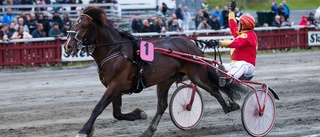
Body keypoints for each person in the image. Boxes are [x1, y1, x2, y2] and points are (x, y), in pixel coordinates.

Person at [215, 0, 257, 87]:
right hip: (234, 66)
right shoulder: (242, 33)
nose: (238, 25)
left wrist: (219, 43)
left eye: (239, 23)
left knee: (240, 64)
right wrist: (231, 12)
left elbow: (235, 43)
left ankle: (228, 78)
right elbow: (233, 26)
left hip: (247, 66)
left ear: (243, 25)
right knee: (216, 65)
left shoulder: (249, 36)